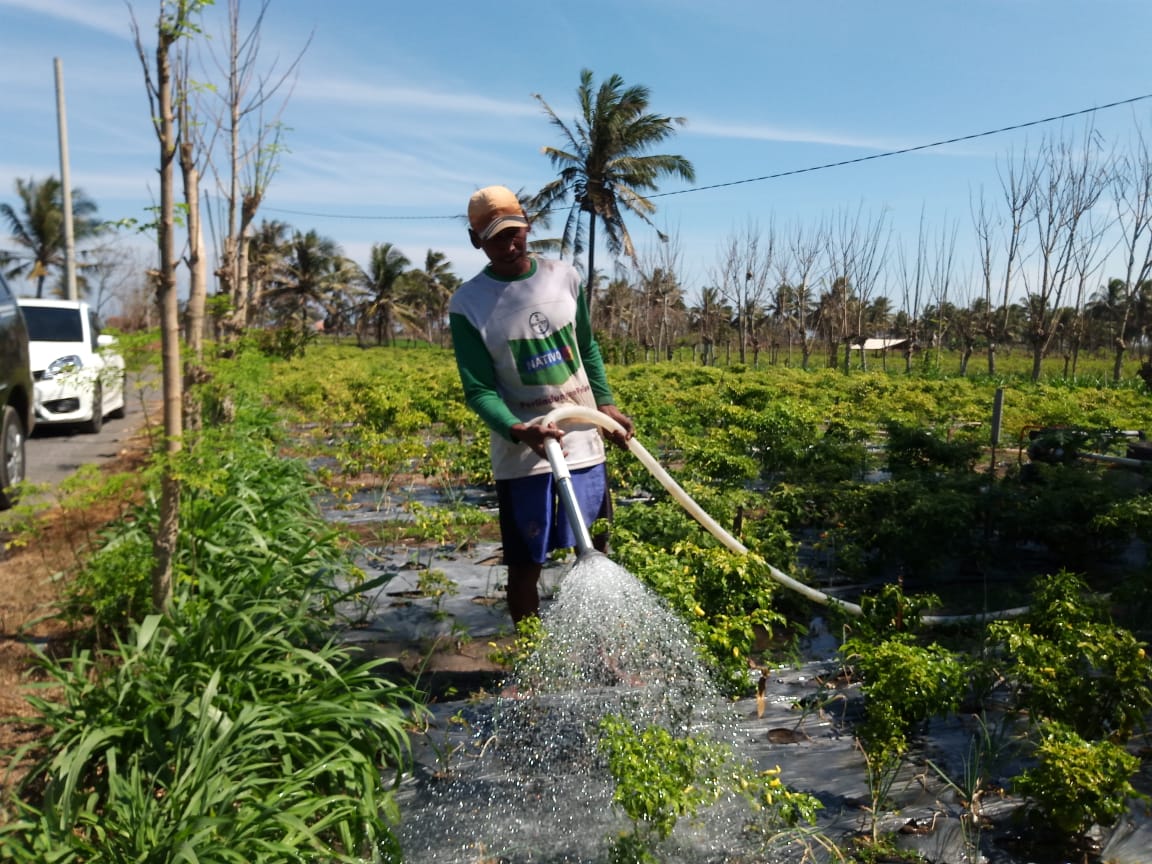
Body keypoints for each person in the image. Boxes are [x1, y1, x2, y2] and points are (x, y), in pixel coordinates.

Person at [448, 185, 634, 623]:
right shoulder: (469, 304)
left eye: (515, 232)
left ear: (527, 225)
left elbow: (586, 349)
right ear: (477, 241)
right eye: (496, 237)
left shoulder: (563, 277)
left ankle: (601, 654)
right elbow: (479, 390)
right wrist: (520, 430)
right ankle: (532, 661)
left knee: (594, 552)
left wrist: (603, 405)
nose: (509, 244)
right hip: (523, 456)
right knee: (525, 564)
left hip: (584, 443)